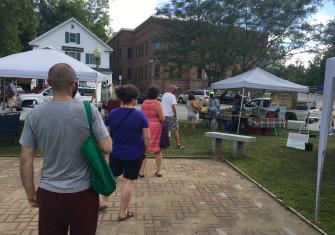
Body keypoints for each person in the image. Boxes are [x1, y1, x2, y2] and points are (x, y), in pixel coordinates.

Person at [19, 63, 112, 235]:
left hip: (49, 192)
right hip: (83, 193)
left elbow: (26, 159)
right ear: (74, 83)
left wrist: (30, 191)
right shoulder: (88, 110)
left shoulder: (34, 115)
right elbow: (107, 147)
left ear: (48, 82)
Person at [105, 84, 150, 221]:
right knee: (128, 182)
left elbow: (106, 133)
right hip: (135, 153)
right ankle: (123, 212)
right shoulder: (140, 115)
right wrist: (146, 150)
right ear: (134, 99)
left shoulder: (112, 113)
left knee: (111, 177)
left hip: (116, 152)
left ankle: (102, 200)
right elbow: (147, 137)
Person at [139, 86, 165, 177]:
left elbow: (141, 115)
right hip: (156, 127)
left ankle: (141, 171)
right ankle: (158, 171)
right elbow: (162, 117)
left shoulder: (144, 102)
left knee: (145, 150)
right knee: (157, 150)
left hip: (145, 126)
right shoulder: (157, 103)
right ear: (157, 94)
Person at [161, 84, 184, 149]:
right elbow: (173, 107)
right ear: (171, 89)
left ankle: (165, 144)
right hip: (171, 116)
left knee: (167, 130)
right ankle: (178, 145)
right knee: (175, 130)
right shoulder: (172, 96)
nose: (175, 90)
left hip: (164, 115)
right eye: (175, 89)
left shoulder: (164, 95)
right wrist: (176, 115)